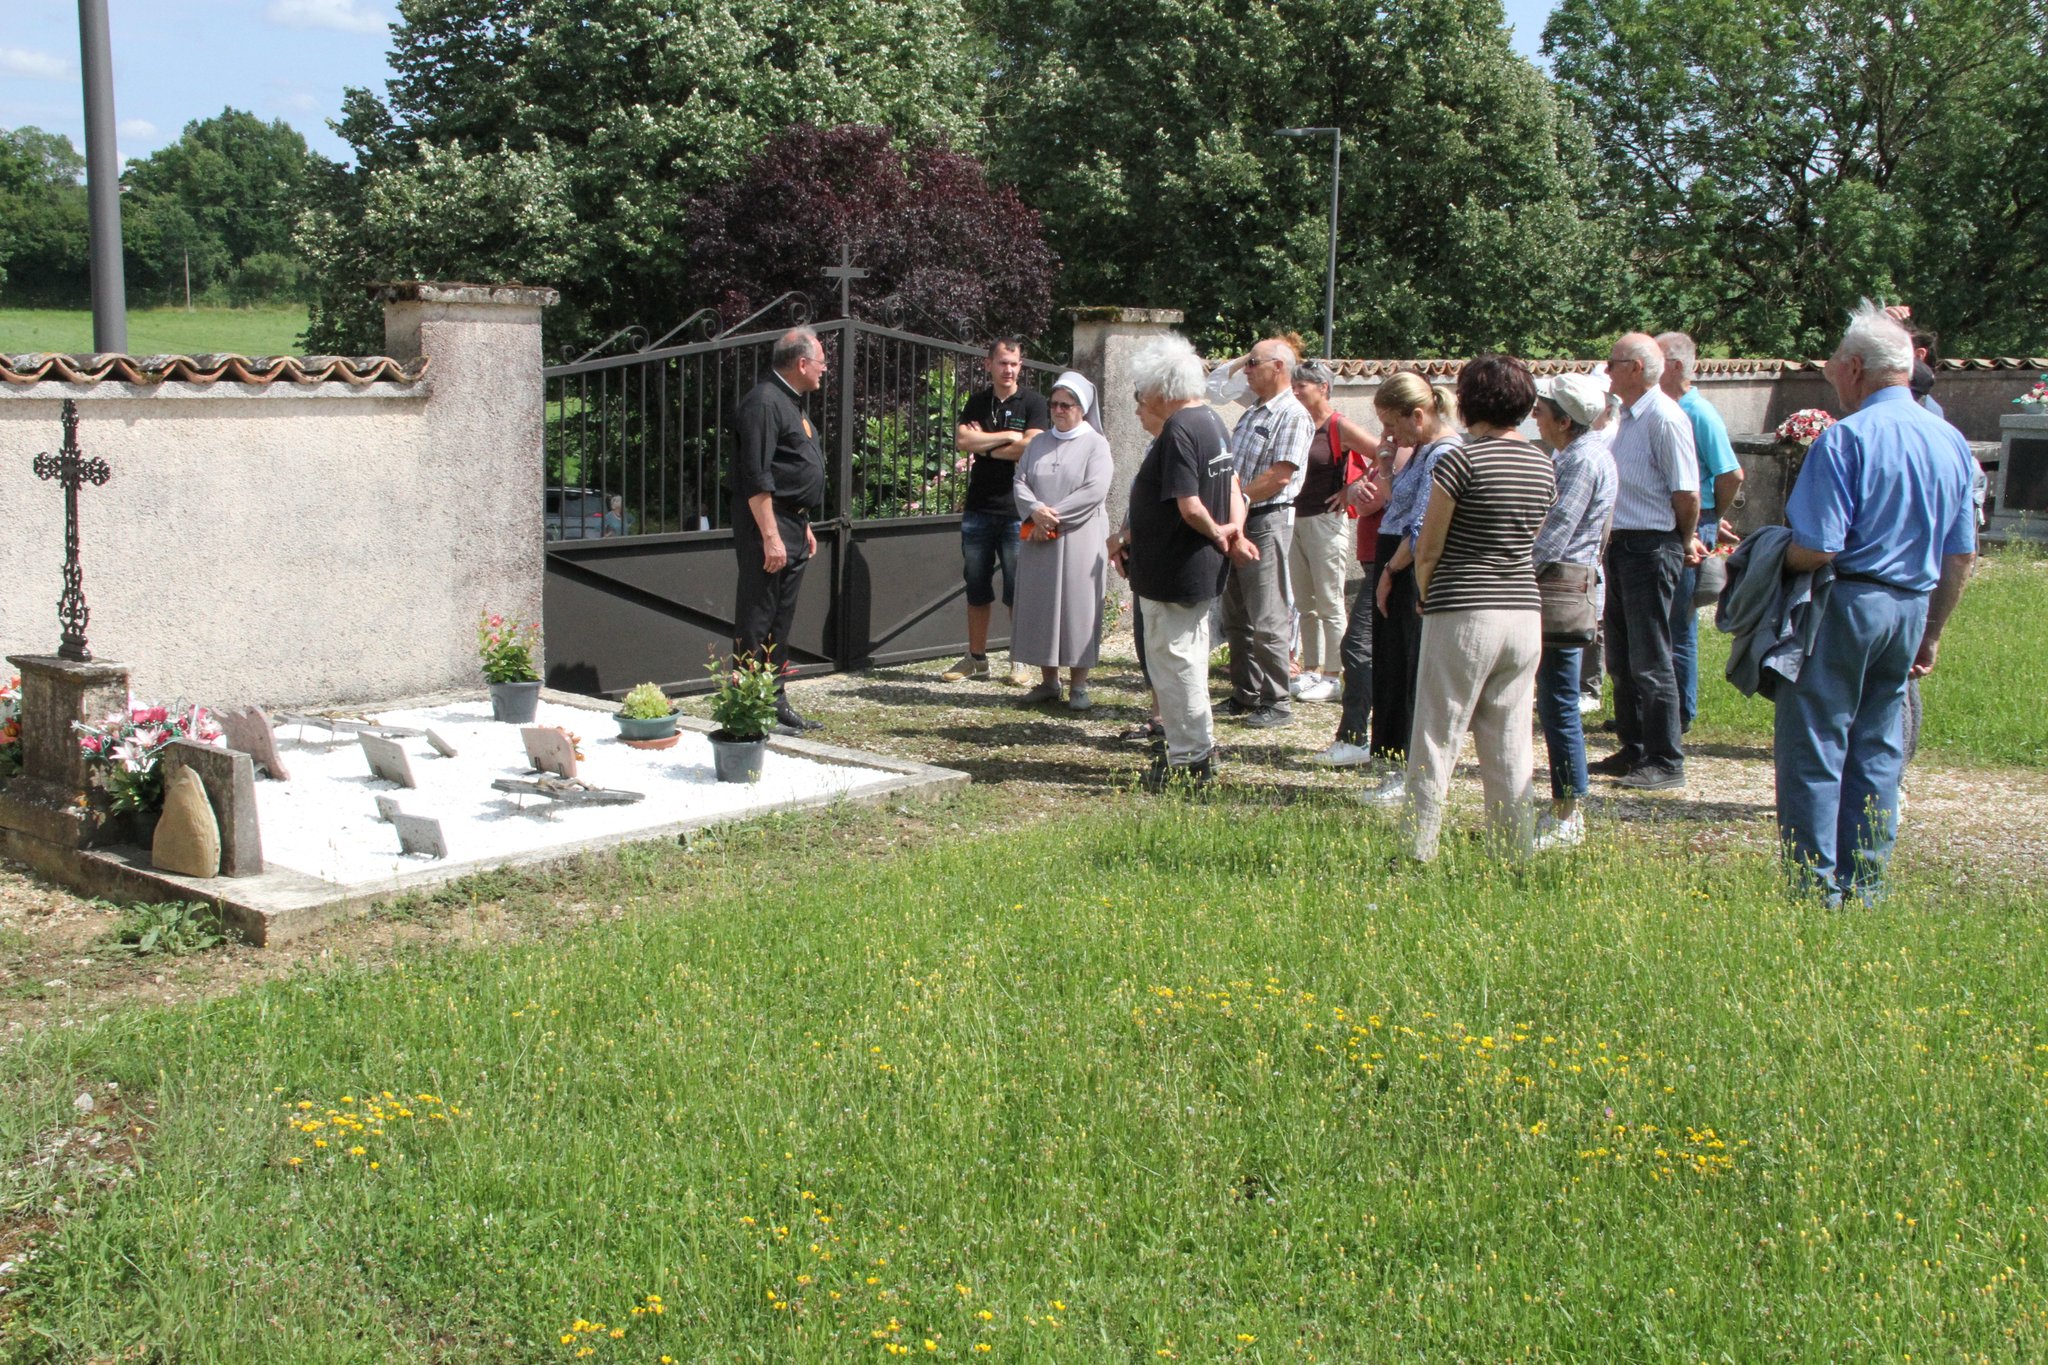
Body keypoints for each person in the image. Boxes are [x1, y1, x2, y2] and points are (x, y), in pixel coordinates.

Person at [1776, 300, 1975, 905]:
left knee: (1817, 743)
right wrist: (1933, 631)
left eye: (1834, 362)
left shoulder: (1847, 439)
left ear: (1857, 368)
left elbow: (1818, 547)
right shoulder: (1951, 440)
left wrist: (1764, 559)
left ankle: (1814, 888)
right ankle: (1866, 884)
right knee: (1880, 747)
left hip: (1849, 603)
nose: (1830, 372)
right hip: (1911, 605)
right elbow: (1961, 552)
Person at [1398, 355, 1556, 860]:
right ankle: (1514, 853)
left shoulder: (1461, 459)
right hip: (1524, 611)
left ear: (1469, 403)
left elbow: (1430, 544)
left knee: (1435, 732)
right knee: (1510, 739)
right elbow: (1528, 537)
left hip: (1465, 608)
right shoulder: (1542, 462)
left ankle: (1417, 849)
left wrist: (1426, 590)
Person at [1114, 333, 1253, 790]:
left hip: (1175, 571)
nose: (1141, 398)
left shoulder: (1178, 428)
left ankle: (1191, 762)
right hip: (1189, 567)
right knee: (1184, 662)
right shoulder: (1212, 420)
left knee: (1177, 667)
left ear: (1162, 387)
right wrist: (1232, 532)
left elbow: (1189, 504)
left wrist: (1218, 533)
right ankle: (1192, 751)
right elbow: (1233, 487)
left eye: (1144, 388)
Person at [1588, 332, 1701, 791]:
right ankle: (1633, 746)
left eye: (1613, 363)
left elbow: (1686, 492)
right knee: (1622, 656)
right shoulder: (1629, 418)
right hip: (1623, 544)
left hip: (1652, 546)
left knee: (1652, 657)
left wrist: (1683, 539)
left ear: (1636, 369)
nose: (1607, 370)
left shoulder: (1663, 418)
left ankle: (1665, 758)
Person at [1360, 373, 1462, 801]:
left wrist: (1390, 571)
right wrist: (1385, 467)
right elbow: (1398, 504)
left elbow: (1421, 527)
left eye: (1392, 424)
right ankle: (1390, 760)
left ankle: (1407, 770)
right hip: (1394, 559)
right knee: (1389, 665)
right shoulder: (1418, 452)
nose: (1388, 434)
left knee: (1407, 670)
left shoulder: (1443, 454)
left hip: (1409, 570)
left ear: (1417, 415)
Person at [1529, 372, 1619, 849]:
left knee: (1559, 703)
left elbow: (1555, 533)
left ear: (1565, 421)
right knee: (1555, 701)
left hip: (1561, 593)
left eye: (1542, 411)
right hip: (1568, 588)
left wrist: (1512, 574)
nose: (1535, 417)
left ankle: (1567, 813)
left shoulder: (1581, 462)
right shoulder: (1581, 454)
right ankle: (1561, 806)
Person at [730, 326, 828, 733]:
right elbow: (756, 475)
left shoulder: (791, 402)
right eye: (822, 363)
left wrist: (802, 522)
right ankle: (747, 705)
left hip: (791, 521)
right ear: (802, 362)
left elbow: (791, 469)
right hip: (766, 524)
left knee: (780, 618)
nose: (825, 370)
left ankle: (775, 698)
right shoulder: (764, 402)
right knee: (759, 614)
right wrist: (771, 534)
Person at [1217, 336, 1312, 729]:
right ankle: (1245, 692)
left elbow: (1278, 476)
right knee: (1236, 612)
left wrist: (1236, 497)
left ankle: (1278, 699)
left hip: (1264, 518)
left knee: (1267, 613)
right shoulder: (1255, 410)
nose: (1247, 369)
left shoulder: (1291, 414)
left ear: (1279, 367)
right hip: (1239, 518)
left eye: (1254, 362)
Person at [946, 338, 1049, 684]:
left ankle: (1019, 660)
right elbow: (962, 441)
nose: (1008, 370)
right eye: (1003, 362)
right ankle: (976, 659)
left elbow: (1031, 446)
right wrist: (1007, 436)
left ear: (1021, 366)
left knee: (1016, 587)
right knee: (976, 585)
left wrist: (985, 445)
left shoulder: (1033, 402)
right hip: (978, 509)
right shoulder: (977, 402)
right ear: (988, 364)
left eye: (1014, 364)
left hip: (1017, 511)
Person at [1656, 331, 1744, 732]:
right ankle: (1660, 706)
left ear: (1675, 366)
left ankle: (1680, 713)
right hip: (1677, 519)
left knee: (1680, 622)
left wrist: (1711, 515)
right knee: (1665, 621)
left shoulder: (1698, 411)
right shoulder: (1666, 408)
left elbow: (1730, 473)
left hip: (1695, 522)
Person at [1011, 371, 1114, 710]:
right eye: (1054, 404)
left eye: (1065, 405)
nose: (1058, 410)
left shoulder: (1096, 444)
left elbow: (1094, 491)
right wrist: (1035, 511)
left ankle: (1079, 686)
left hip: (1079, 535)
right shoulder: (1039, 442)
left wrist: (1049, 518)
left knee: (1077, 608)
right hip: (1039, 534)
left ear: (1082, 407)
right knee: (1042, 606)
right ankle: (1048, 681)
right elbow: (1020, 480)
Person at [1286, 361, 1380, 705]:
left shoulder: (1338, 425)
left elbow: (1381, 454)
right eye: (1294, 386)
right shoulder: (1297, 422)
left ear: (1322, 388)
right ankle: (1311, 669)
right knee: (1304, 602)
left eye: (1302, 386)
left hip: (1326, 520)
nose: (1295, 391)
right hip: (1295, 517)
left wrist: (1352, 488)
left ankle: (1334, 675)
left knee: (1329, 601)